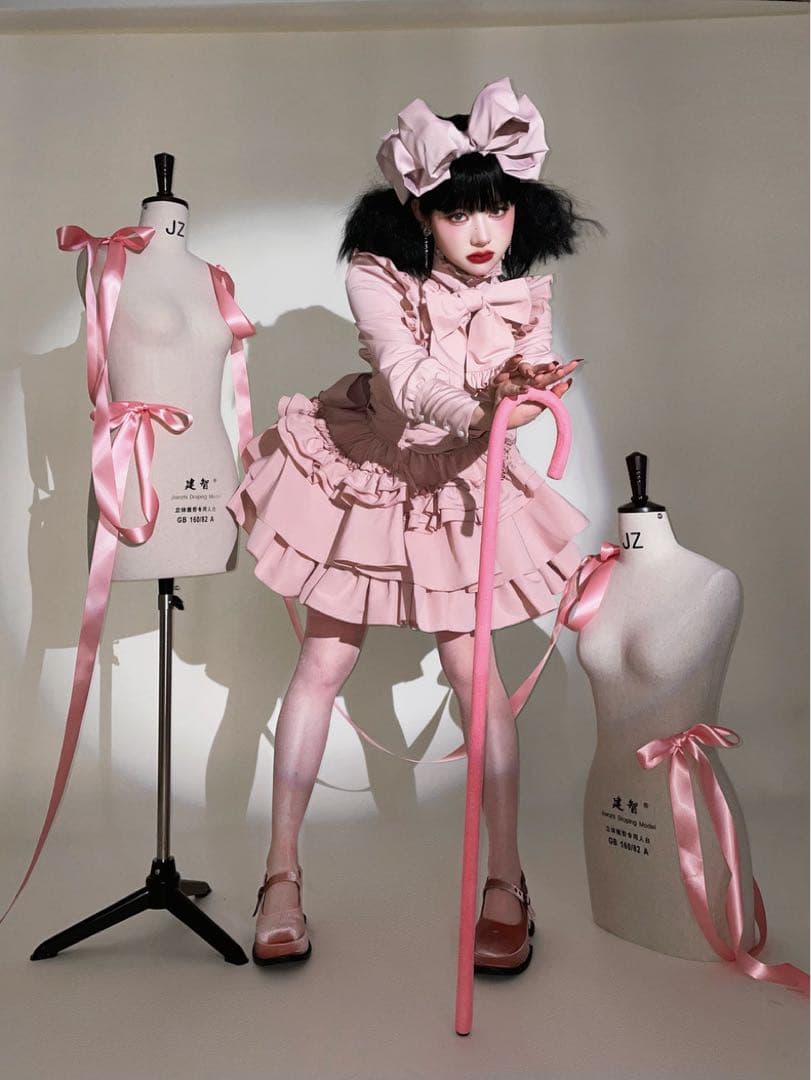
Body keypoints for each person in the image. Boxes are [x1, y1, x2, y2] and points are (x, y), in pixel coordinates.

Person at [228, 77, 598, 973]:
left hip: (461, 482)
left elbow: (532, 384)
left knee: (475, 674)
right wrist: (481, 406)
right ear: (419, 215)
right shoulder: (375, 273)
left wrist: (524, 394)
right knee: (323, 663)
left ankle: (505, 883)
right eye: (456, 213)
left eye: (496, 209)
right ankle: (280, 877)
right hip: (371, 464)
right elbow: (401, 372)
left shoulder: (521, 293)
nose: (481, 232)